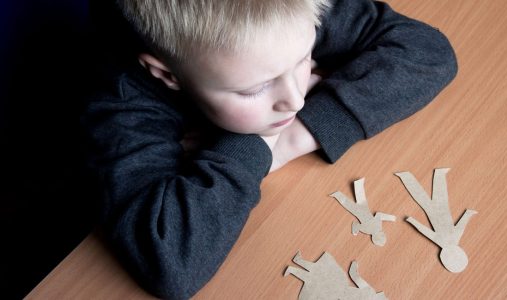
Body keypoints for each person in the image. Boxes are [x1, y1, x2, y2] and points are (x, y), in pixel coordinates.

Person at [82, 0, 457, 298]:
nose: (295, 100)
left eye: (303, 60)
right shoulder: (120, 103)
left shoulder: (285, 10)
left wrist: (293, 137)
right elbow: (171, 263)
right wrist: (254, 143)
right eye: (252, 89)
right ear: (166, 74)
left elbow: (427, 51)